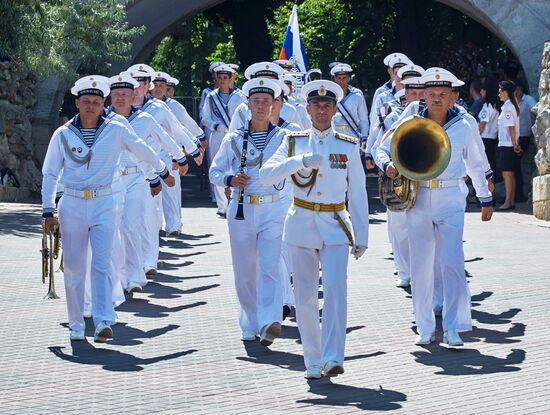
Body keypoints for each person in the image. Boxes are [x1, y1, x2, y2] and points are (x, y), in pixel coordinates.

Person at [41, 76, 170, 342]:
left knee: (102, 264)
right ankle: (77, 323)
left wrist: (162, 170)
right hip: (73, 203)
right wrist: (46, 210)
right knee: (75, 267)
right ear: (77, 103)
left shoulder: (117, 127)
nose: (91, 106)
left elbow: (141, 148)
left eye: (97, 102)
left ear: (104, 105)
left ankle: (102, 320)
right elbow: (50, 173)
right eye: (86, 102)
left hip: (103, 202)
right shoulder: (63, 134)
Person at [260, 80, 369, 380]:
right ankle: (312, 359)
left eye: (327, 105)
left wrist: (362, 234)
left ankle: (333, 357)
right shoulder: (293, 141)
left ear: (335, 109)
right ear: (307, 110)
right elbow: (266, 174)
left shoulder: (347, 145)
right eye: (316, 105)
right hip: (301, 224)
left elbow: (358, 192)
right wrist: (300, 161)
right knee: (305, 296)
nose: (322, 110)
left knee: (335, 290)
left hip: (335, 224)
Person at [379, 68, 493, 347]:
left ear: (454, 96)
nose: (436, 100)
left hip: (451, 197)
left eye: (443, 94)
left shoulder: (464, 125)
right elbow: (381, 148)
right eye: (431, 94)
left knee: (452, 261)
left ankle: (453, 326)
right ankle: (425, 326)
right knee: (421, 265)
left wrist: (484, 199)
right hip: (418, 198)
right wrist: (388, 165)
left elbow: (477, 163)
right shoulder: (411, 118)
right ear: (425, 95)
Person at [209, 78, 288, 346]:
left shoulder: (284, 138)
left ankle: (269, 320)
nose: (261, 106)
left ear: (274, 105)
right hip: (242, 208)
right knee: (244, 271)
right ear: (247, 104)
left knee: (269, 267)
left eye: (266, 102)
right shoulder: (234, 138)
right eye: (256, 101)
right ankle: (249, 321)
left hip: (272, 208)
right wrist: (231, 180)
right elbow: (214, 171)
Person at [107, 73, 183, 292]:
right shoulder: (103, 122)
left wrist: (176, 161)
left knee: (131, 226)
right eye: (116, 94)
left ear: (134, 96)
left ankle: (134, 275)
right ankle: (119, 278)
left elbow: (156, 145)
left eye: (125, 94)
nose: (120, 98)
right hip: (111, 180)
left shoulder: (145, 119)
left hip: (138, 177)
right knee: (114, 230)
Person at [126, 64, 203, 242]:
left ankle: (150, 259)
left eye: (141, 83)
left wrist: (190, 151)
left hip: (155, 163)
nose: (137, 87)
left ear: (147, 86)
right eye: (134, 82)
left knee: (151, 209)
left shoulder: (158, 108)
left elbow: (176, 130)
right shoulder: (117, 109)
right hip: (124, 170)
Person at [201, 64, 247, 217]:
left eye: (225, 78)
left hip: (236, 135)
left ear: (231, 78)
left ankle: (234, 199)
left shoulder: (240, 96)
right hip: (218, 135)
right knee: (217, 166)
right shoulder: (211, 96)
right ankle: (222, 205)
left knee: (236, 166)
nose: (222, 81)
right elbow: (205, 117)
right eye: (219, 78)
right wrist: (216, 125)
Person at [330, 63, 369, 149]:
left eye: (344, 78)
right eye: (339, 78)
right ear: (335, 79)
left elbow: (363, 119)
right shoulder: (329, 95)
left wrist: (364, 138)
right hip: (334, 137)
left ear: (349, 78)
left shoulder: (357, 94)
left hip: (353, 137)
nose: (341, 81)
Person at [497, 80, 521, 210]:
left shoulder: (507, 107)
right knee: (510, 174)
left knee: (507, 174)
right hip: (509, 144)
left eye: (500, 91)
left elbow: (511, 127)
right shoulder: (511, 105)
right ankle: (510, 201)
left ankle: (507, 202)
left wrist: (514, 144)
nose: (498, 93)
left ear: (506, 92)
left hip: (507, 144)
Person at [514, 81, 537, 202]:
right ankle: (517, 194)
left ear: (521, 90)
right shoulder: (513, 102)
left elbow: (535, 109)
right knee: (515, 166)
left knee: (516, 164)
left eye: (517, 89)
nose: (515, 92)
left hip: (524, 136)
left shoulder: (527, 100)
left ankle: (519, 195)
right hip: (516, 137)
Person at [478, 77, 500, 178]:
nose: (480, 91)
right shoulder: (496, 105)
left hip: (484, 138)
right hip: (492, 138)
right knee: (490, 161)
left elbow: (482, 125)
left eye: (483, 89)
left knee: (483, 163)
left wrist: (475, 137)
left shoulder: (487, 106)